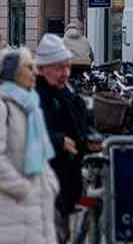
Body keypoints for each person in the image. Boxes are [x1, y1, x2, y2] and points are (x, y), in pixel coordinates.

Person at [0, 46, 58, 244]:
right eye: (29, 67)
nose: (35, 72)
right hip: (9, 212)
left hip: (33, 211)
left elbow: (40, 154)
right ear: (13, 73)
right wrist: (23, 189)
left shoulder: (28, 104)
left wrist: (48, 185)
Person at [34, 34, 92, 243]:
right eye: (59, 68)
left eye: (67, 67)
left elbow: (80, 123)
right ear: (42, 68)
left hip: (65, 180)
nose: (65, 73)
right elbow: (28, 136)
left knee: (62, 233)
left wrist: (89, 137)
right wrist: (59, 141)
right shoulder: (37, 96)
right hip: (45, 183)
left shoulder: (64, 91)